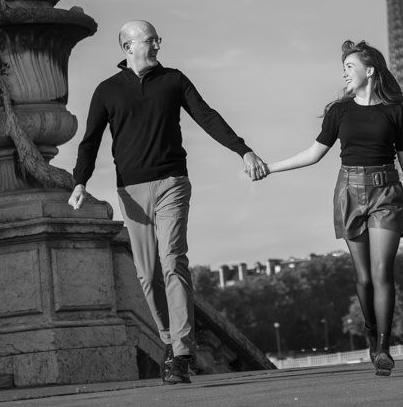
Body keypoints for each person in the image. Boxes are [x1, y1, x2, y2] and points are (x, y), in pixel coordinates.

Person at [69, 20, 267, 385]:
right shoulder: (107, 90)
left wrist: (243, 150)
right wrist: (80, 181)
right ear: (128, 47)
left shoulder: (174, 79)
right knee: (147, 274)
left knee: (173, 261)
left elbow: (206, 116)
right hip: (131, 191)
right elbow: (90, 141)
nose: (158, 44)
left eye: (157, 38)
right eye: (150, 40)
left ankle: (182, 351)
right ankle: (169, 342)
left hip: (173, 182)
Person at [261, 40, 403, 377]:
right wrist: (270, 167)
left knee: (381, 272)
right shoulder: (339, 111)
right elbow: (314, 153)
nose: (344, 73)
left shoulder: (396, 112)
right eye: (343, 68)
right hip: (348, 191)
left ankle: (385, 349)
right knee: (362, 278)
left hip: (386, 191)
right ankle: (372, 335)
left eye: (350, 67)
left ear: (369, 70)